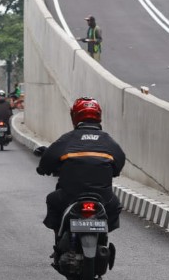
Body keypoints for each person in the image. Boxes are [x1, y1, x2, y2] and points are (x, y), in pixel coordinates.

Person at [36, 97, 126, 247]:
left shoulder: (67, 139)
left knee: (52, 200)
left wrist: (43, 169)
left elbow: (47, 160)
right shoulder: (108, 141)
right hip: (103, 198)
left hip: (70, 197)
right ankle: (103, 238)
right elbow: (120, 161)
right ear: (99, 116)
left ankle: (59, 241)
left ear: (74, 116)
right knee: (115, 205)